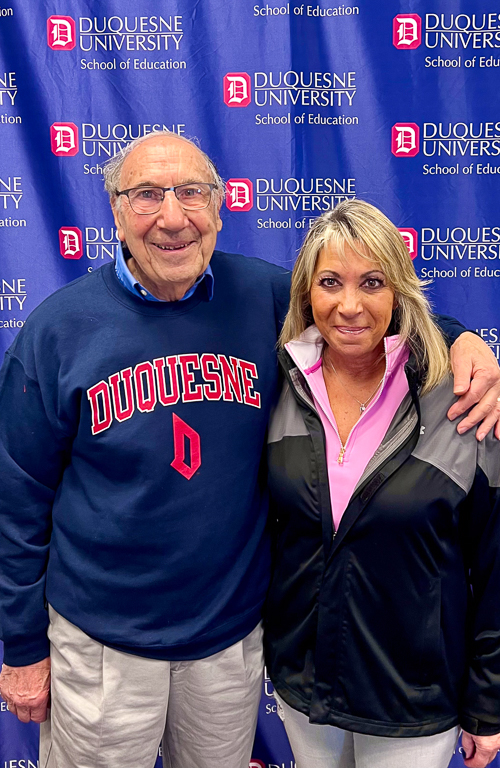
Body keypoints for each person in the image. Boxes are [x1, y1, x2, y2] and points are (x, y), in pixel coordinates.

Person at [0, 133, 498, 768]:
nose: (172, 217)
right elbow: (17, 502)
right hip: (101, 646)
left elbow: (366, 312)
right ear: (117, 210)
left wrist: (464, 342)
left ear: (220, 205)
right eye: (147, 195)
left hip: (229, 645)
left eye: (192, 194)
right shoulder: (56, 331)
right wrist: (21, 647)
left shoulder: (266, 299)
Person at [264, 199, 500, 768]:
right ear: (306, 294)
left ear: (398, 292)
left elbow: (494, 564)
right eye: (330, 283)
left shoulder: (463, 401)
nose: (350, 305)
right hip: (304, 687)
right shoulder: (280, 385)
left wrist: (488, 702)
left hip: (414, 698)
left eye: (372, 282)